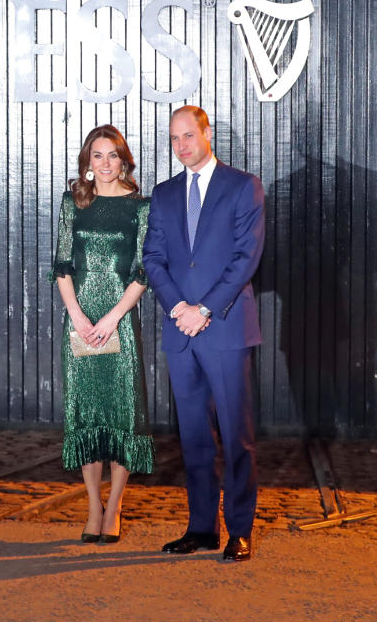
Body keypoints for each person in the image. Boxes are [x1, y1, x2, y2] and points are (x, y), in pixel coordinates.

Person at [142, 106, 265, 562]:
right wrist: (178, 308)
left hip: (225, 328)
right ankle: (201, 528)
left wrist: (205, 309)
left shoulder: (242, 186)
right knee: (193, 437)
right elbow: (153, 257)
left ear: (207, 133)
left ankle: (239, 531)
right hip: (181, 331)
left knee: (236, 436)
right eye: (174, 139)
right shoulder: (164, 193)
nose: (182, 146)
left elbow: (246, 257)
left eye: (189, 136)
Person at [50, 124, 154, 544]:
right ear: (87, 163)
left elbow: (143, 271)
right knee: (86, 414)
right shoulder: (72, 203)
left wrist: (112, 318)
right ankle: (94, 505)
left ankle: (115, 508)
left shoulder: (140, 206)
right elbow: (61, 265)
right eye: (98, 155)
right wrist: (77, 315)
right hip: (80, 322)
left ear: (124, 160)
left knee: (122, 414)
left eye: (113, 155)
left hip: (119, 322)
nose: (106, 163)